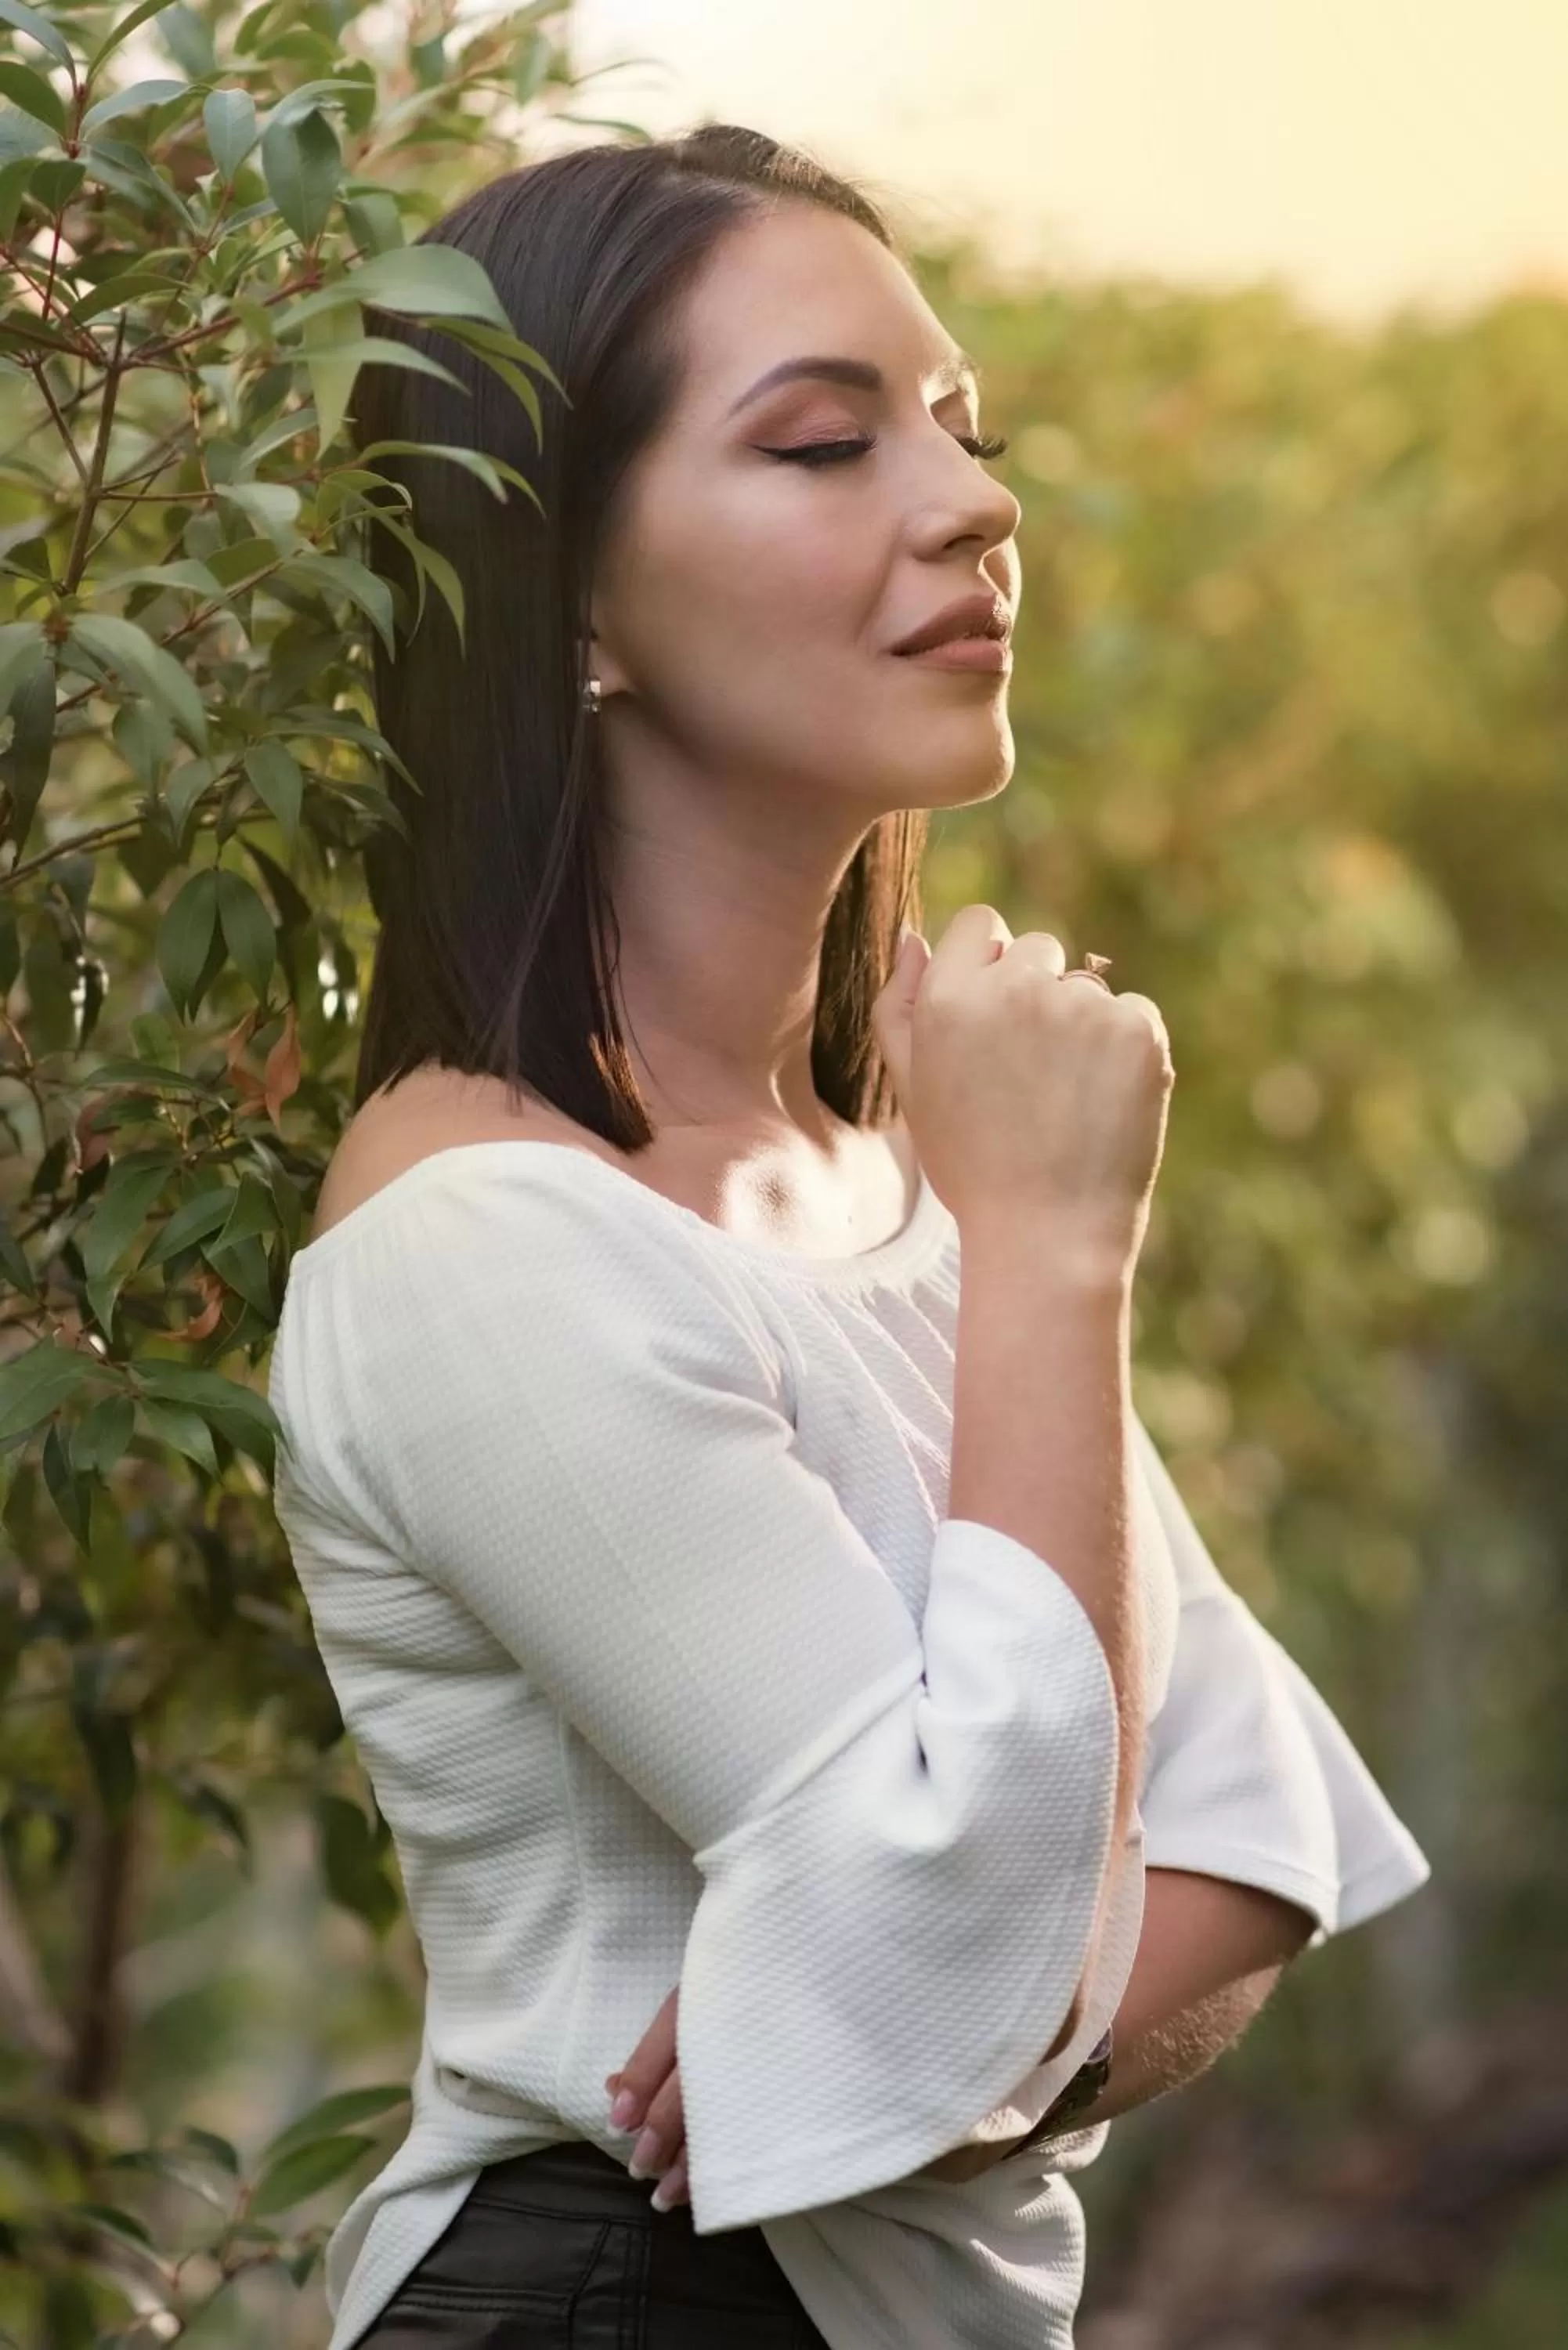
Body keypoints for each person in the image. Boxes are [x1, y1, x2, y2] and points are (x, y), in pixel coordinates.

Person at [267, 123, 1431, 2350]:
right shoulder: (484, 1244)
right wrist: (1061, 1250)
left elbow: (1251, 1834)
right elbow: (995, 1919)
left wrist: (937, 2054)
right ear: (566, 600)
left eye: (964, 428)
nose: (976, 504)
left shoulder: (889, 1178)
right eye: (824, 443)